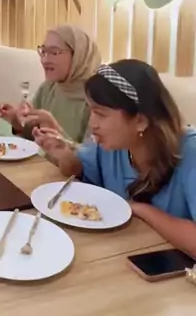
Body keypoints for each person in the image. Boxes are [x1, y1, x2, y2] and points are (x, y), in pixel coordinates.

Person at [34, 59, 196, 256]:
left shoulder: (191, 152)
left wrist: (143, 210)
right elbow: (80, 170)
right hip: (120, 254)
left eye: (100, 114)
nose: (92, 124)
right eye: (91, 110)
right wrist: (64, 155)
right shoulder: (112, 145)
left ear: (140, 121)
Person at [0, 25, 101, 144]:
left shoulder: (99, 100)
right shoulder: (48, 87)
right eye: (43, 51)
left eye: (54, 52)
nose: (45, 60)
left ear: (78, 55)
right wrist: (16, 120)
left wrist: (54, 131)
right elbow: (34, 136)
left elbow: (92, 155)